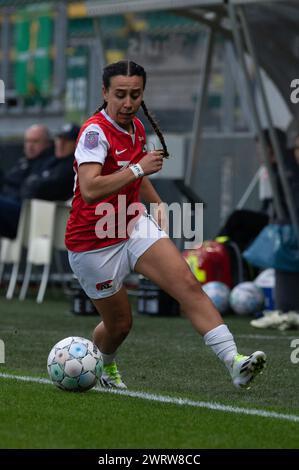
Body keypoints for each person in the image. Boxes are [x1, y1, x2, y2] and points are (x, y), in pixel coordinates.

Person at [65, 60, 266, 390]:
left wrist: (157, 203)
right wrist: (139, 169)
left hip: (130, 225)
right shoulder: (93, 132)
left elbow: (136, 173)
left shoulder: (138, 129)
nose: (128, 103)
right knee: (118, 325)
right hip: (93, 240)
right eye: (120, 95)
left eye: (135, 94)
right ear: (104, 93)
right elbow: (89, 189)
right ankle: (104, 365)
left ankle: (235, 362)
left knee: (187, 283)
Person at [0, 124, 54, 238]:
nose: (30, 145)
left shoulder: (50, 163)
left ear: (47, 143)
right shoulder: (22, 162)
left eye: (35, 141)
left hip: (26, 214)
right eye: (27, 141)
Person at [21, 123, 80, 201]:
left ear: (76, 143)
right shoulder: (50, 160)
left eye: (67, 140)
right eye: (59, 139)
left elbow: (52, 187)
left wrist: (35, 185)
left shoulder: (75, 164)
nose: (61, 144)